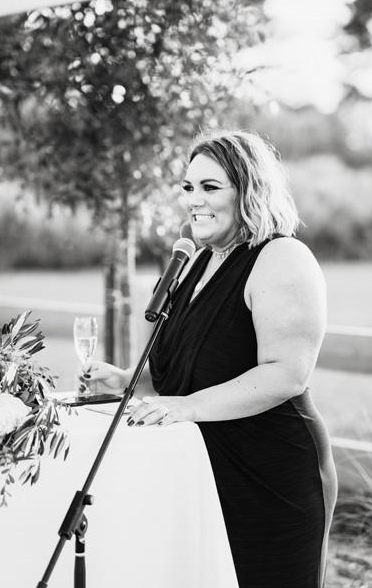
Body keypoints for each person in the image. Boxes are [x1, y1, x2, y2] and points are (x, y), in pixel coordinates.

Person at [84, 130, 335, 588]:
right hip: (200, 471)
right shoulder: (196, 262)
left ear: (250, 188)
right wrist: (125, 381)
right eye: (188, 187)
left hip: (270, 474)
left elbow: (286, 374)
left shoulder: (282, 257)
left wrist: (189, 407)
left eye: (210, 187)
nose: (193, 200)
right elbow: (180, 372)